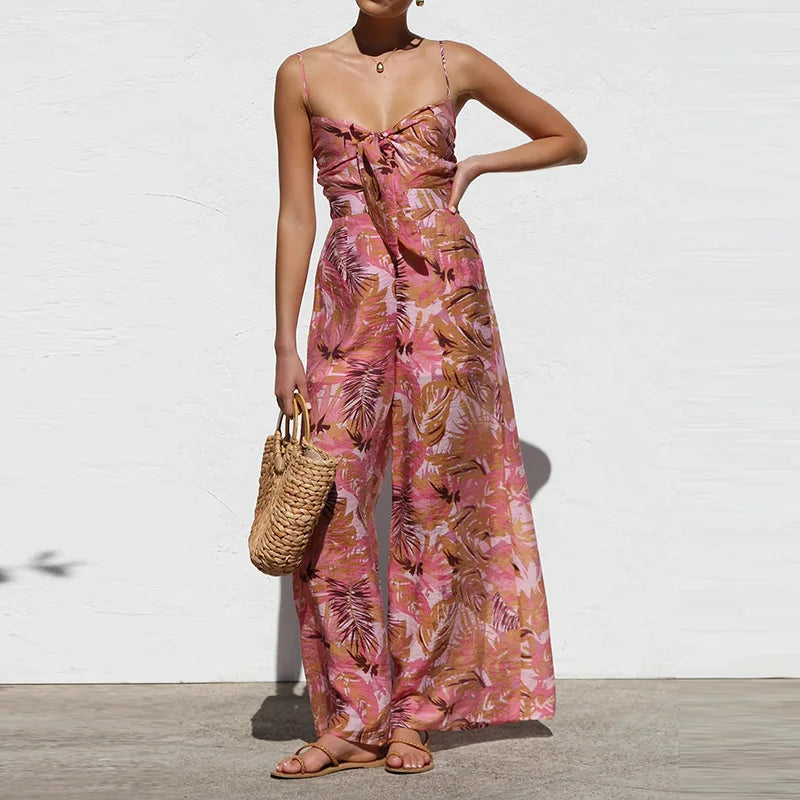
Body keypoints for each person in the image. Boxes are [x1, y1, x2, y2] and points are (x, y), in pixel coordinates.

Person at [270, 0, 587, 779]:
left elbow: (567, 141)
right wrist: (284, 340)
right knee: (329, 501)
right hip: (352, 304)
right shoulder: (302, 73)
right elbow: (295, 212)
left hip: (448, 296)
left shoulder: (455, 64)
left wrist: (476, 165)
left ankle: (416, 716)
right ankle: (350, 718)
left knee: (438, 507)